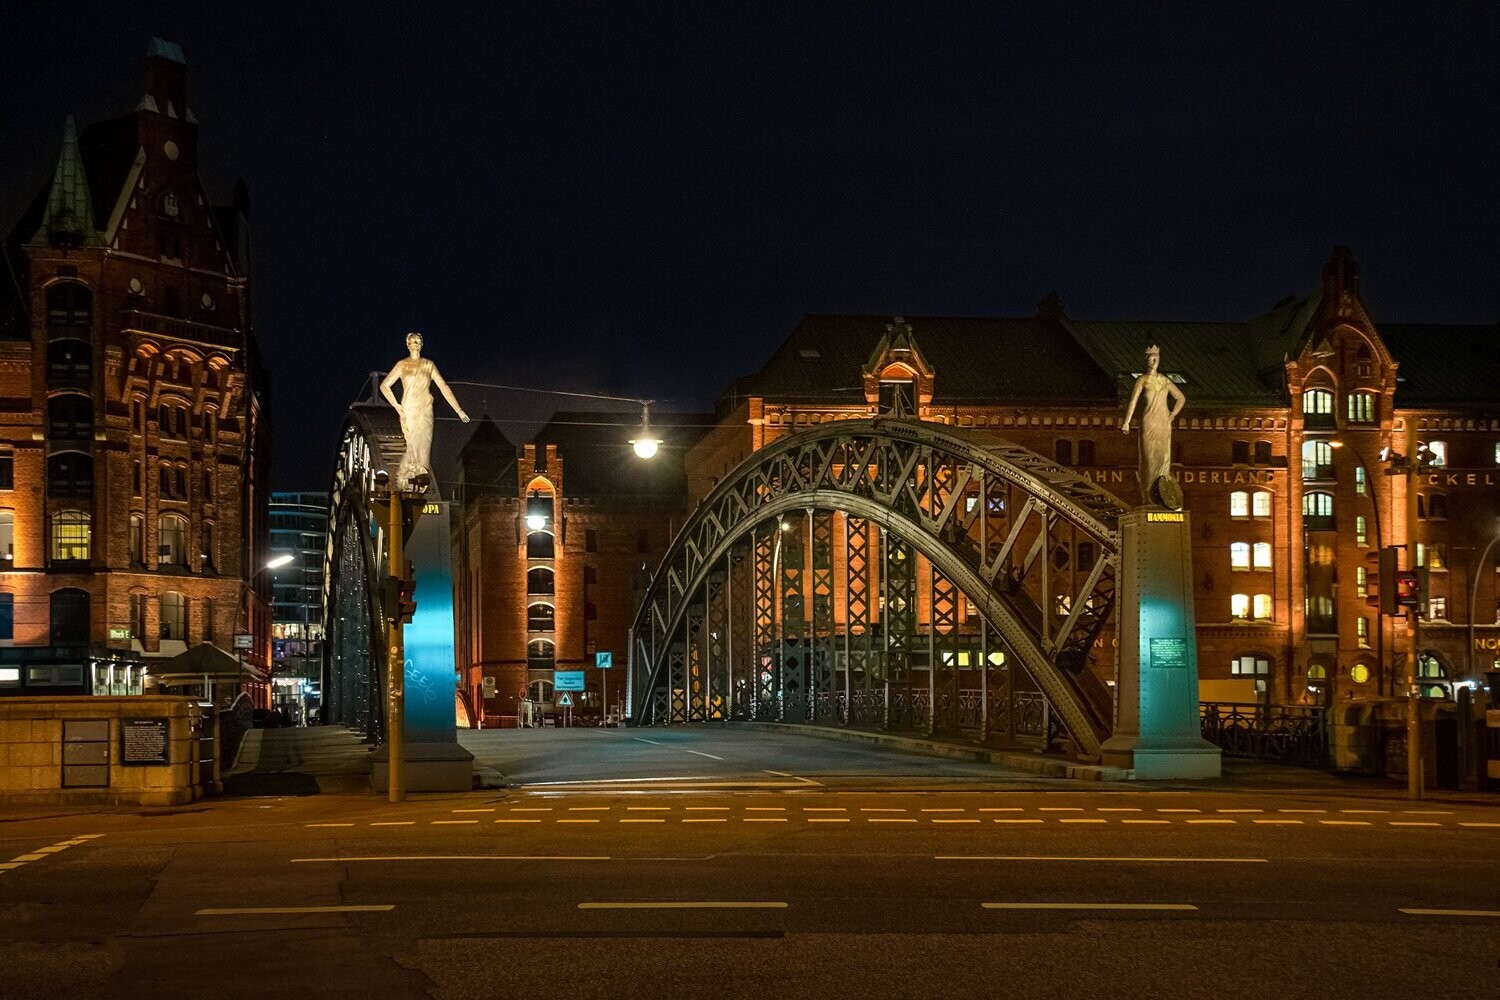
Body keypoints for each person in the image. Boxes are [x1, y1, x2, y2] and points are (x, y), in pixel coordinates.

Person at [379, 332, 469, 489]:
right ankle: (407, 477)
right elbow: (384, 386)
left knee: (424, 441)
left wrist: (459, 410)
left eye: (419, 341)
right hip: (409, 410)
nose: (416, 343)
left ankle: (420, 473)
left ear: (422, 344)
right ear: (407, 344)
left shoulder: (429, 365)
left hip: (425, 409)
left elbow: (443, 387)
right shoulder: (402, 365)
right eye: (413, 341)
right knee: (413, 443)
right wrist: (396, 405)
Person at [1120, 343, 1185, 506]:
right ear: (1146, 360)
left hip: (1164, 423)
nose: (1154, 361)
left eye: (1156, 357)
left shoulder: (1165, 381)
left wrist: (1173, 414)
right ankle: (1147, 497)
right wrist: (1127, 422)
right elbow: (1133, 402)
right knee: (1149, 460)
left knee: (1164, 460)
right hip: (1149, 422)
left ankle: (1163, 498)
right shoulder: (1142, 380)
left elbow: (1181, 398)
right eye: (1151, 358)